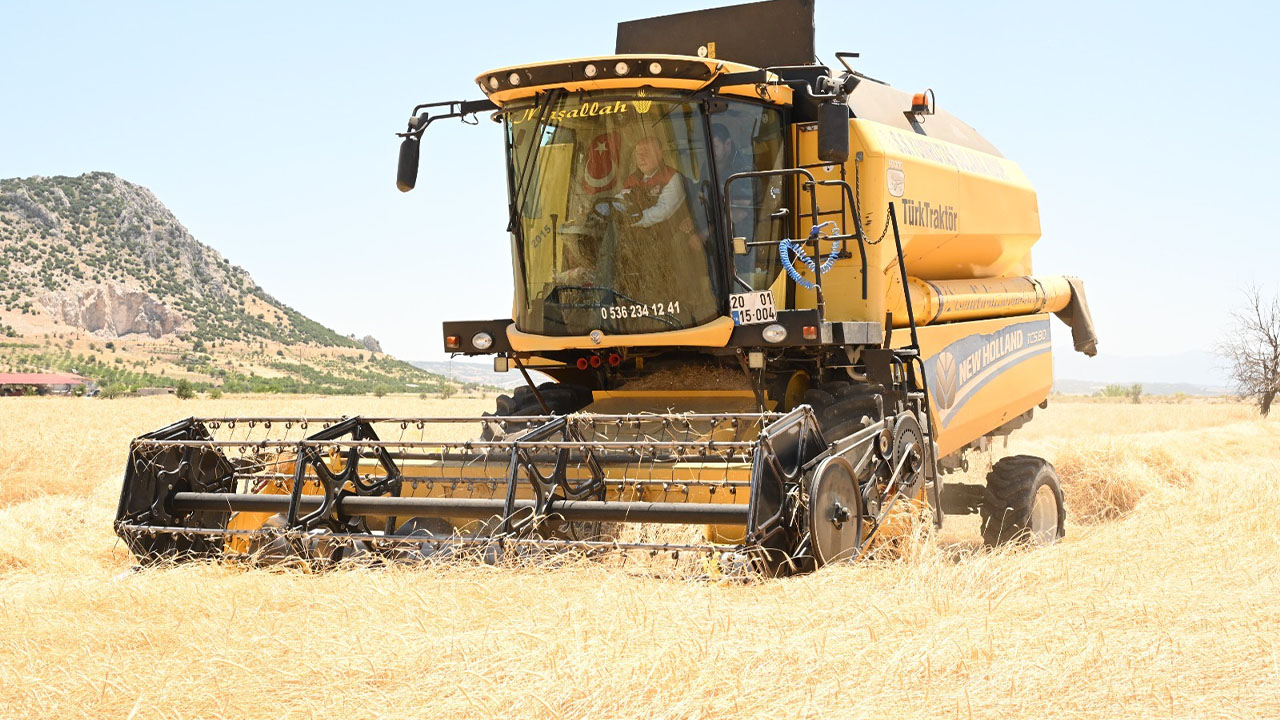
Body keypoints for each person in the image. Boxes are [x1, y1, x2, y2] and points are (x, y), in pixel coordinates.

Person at [621, 136, 686, 228]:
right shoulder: (631, 179)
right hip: (636, 233)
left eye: (646, 153)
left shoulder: (672, 177)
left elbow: (663, 211)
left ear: (659, 155)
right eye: (638, 154)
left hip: (668, 233)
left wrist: (632, 220)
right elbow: (622, 200)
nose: (641, 158)